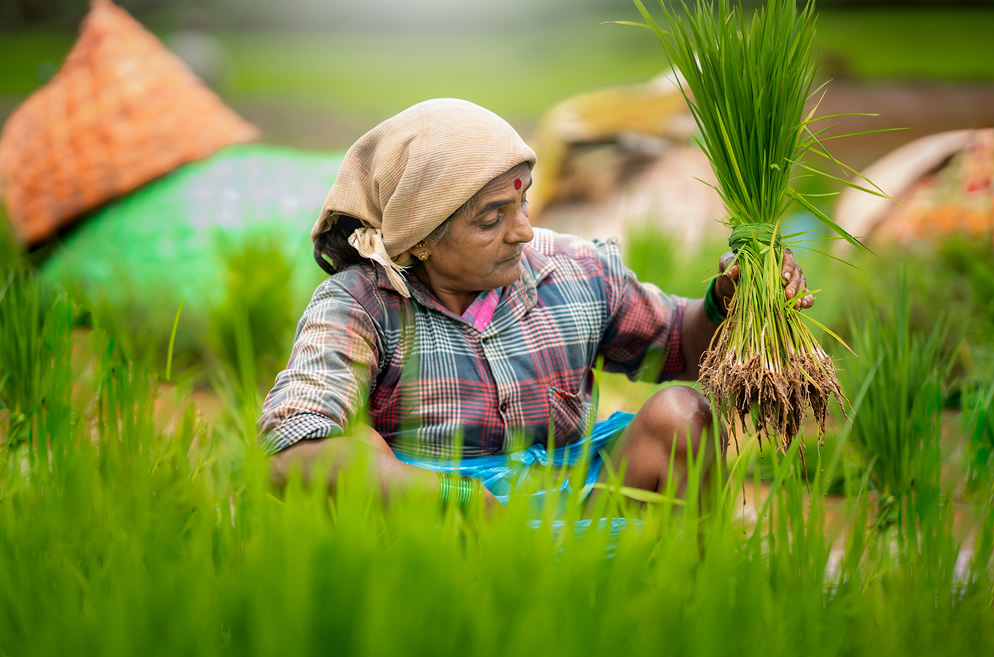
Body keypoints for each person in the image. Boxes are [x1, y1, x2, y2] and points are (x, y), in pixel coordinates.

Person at [258, 99, 813, 514]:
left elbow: (678, 345)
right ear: (420, 238)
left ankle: (682, 598)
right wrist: (460, 502)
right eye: (492, 218)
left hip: (578, 496)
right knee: (348, 443)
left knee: (681, 417)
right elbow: (292, 452)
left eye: (522, 203)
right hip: (439, 526)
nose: (523, 232)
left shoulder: (575, 270)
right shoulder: (360, 306)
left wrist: (729, 301)